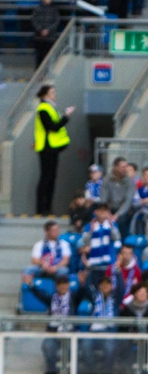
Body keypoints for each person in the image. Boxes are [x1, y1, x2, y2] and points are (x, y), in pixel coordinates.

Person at [34, 85, 74, 215]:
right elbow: (53, 127)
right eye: (51, 92)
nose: (54, 94)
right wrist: (66, 116)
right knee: (46, 177)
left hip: (52, 147)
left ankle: (48, 207)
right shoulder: (43, 109)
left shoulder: (51, 108)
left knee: (51, 177)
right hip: (47, 147)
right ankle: (41, 208)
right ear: (45, 95)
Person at [31, 0, 60, 67]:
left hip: (50, 38)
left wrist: (48, 30)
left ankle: (48, 72)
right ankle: (38, 73)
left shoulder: (54, 10)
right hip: (39, 38)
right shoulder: (37, 9)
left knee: (49, 56)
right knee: (39, 57)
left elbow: (56, 21)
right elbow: (34, 20)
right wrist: (41, 30)